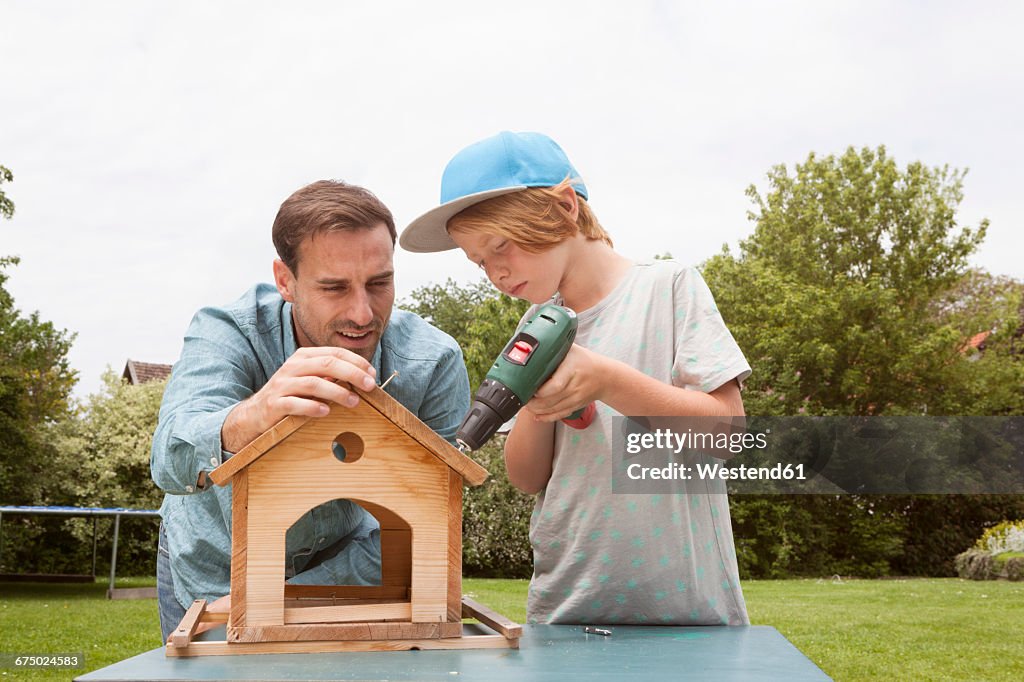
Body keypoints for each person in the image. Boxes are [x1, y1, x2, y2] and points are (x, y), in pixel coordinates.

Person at [401, 131, 751, 626]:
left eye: (501, 244)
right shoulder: (534, 327)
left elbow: (728, 433)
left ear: (565, 206)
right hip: (566, 610)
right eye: (478, 260)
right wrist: (539, 407)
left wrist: (608, 381)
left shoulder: (669, 289)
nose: (494, 272)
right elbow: (526, 479)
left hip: (688, 612)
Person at [151, 180, 470, 642]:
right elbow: (168, 460)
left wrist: (283, 599)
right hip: (211, 568)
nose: (363, 314)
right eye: (334, 287)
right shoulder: (226, 331)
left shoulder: (432, 362)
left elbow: (430, 528)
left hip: (344, 570)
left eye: (379, 283)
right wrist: (256, 414)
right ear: (285, 280)